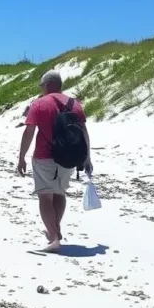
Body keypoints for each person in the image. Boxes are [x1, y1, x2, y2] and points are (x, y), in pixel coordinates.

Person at [17, 71, 93, 252]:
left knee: (45, 195)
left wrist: (21, 157)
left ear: (45, 85)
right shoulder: (75, 104)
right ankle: (56, 229)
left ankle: (53, 238)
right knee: (59, 193)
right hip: (68, 157)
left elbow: (29, 132)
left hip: (44, 156)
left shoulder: (39, 104)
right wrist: (88, 158)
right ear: (60, 85)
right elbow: (84, 132)